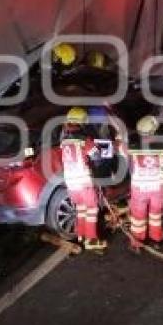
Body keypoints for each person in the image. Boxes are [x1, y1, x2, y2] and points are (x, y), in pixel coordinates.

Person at [60, 107, 107, 251]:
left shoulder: (64, 141)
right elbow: (97, 158)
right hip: (84, 182)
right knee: (92, 209)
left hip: (71, 184)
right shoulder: (85, 141)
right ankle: (91, 240)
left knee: (81, 209)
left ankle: (81, 236)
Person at [127, 116, 163, 248]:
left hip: (139, 188)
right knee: (155, 215)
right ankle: (156, 240)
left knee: (138, 216)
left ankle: (138, 241)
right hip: (157, 187)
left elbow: (125, 159)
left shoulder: (132, 147)